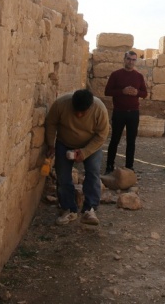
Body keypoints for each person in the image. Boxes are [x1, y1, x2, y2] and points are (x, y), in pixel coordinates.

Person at [45, 89, 110, 226]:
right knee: (63, 176)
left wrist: (85, 152)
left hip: (91, 145)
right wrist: (51, 144)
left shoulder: (99, 109)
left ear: (90, 107)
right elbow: (51, 122)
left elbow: (102, 135)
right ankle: (69, 208)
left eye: (83, 112)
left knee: (93, 173)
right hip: (65, 143)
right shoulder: (61, 104)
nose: (79, 115)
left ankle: (89, 209)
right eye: (76, 111)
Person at [104, 50, 148, 174]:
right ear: (124, 59)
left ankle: (129, 167)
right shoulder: (116, 74)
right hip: (119, 112)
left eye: (133, 60)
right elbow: (107, 92)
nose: (131, 62)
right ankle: (109, 166)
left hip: (133, 113)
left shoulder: (139, 76)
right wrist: (122, 91)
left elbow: (145, 93)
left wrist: (137, 93)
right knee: (114, 140)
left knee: (131, 141)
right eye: (129, 59)